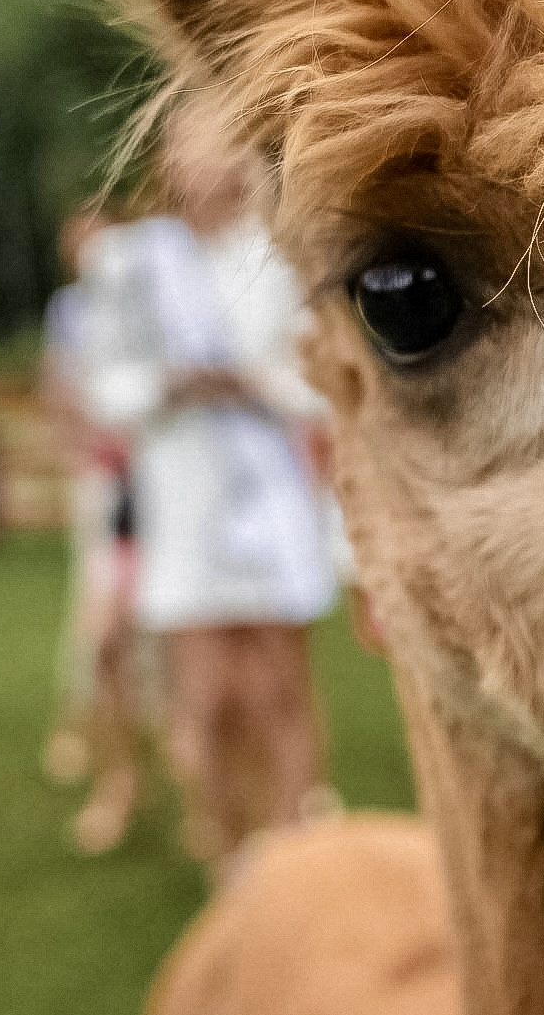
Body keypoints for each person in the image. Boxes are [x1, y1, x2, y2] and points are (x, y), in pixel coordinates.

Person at [83, 106, 337, 868]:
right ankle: (229, 852)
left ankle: (294, 846)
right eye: (192, 147)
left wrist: (254, 385)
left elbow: (320, 376)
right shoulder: (129, 262)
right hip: (184, 495)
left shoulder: (285, 254)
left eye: (222, 147)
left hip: (271, 490)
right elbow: (104, 385)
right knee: (206, 696)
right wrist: (170, 386)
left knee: (281, 687)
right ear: (167, 161)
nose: (207, 164)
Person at [38, 209, 150, 854]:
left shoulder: (156, 301)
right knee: (100, 627)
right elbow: (60, 389)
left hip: (165, 488)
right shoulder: (71, 311)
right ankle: (95, 748)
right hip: (112, 489)